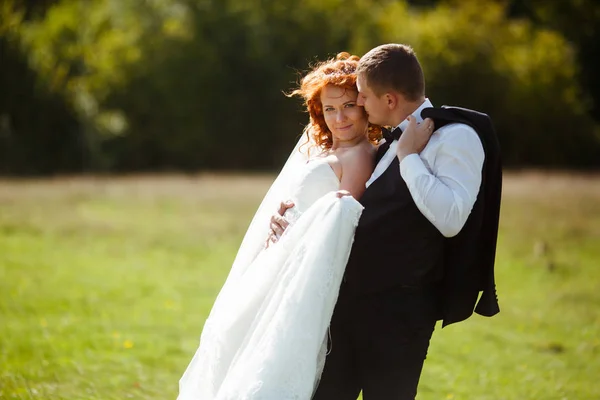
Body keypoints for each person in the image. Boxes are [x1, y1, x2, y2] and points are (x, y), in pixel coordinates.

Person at [177, 52, 432, 400]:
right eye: (329, 109)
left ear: (364, 106)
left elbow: (339, 221)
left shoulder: (361, 155)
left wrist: (293, 228)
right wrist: (282, 218)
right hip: (278, 261)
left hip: (301, 272)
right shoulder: (322, 149)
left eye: (348, 107)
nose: (338, 118)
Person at [270, 43, 501, 399]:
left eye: (361, 96)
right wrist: (294, 219)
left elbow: (451, 219)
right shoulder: (381, 145)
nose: (359, 103)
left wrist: (409, 157)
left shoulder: (456, 136)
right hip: (345, 304)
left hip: (399, 314)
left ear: (389, 100)